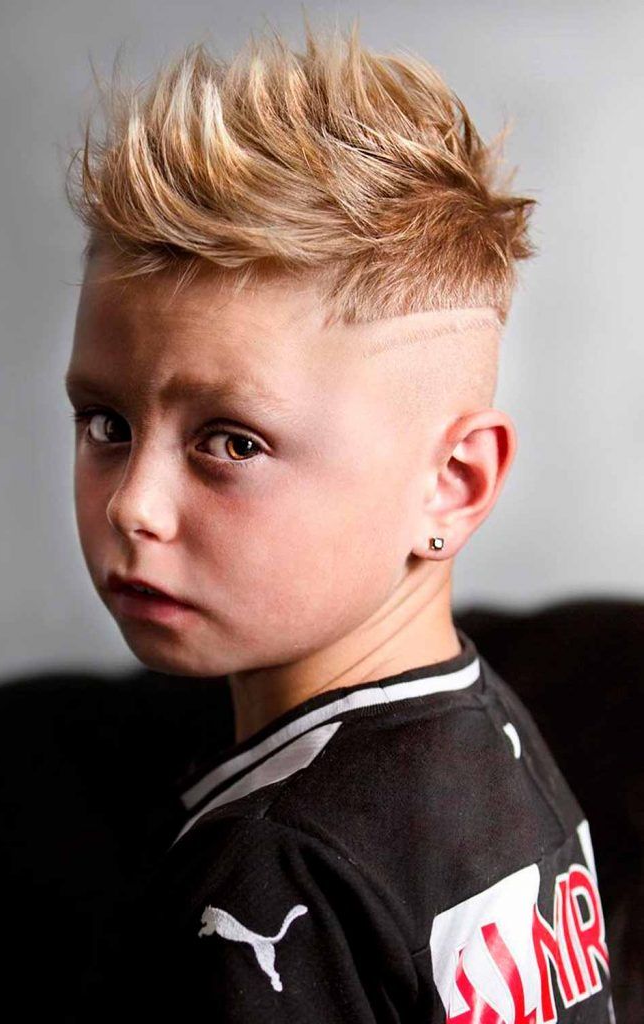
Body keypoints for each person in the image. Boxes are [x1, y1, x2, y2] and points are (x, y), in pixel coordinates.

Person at [63, 17, 617, 1022]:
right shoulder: (484, 729)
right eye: (106, 423)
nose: (130, 504)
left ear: (450, 483)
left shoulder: (271, 870)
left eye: (232, 441)